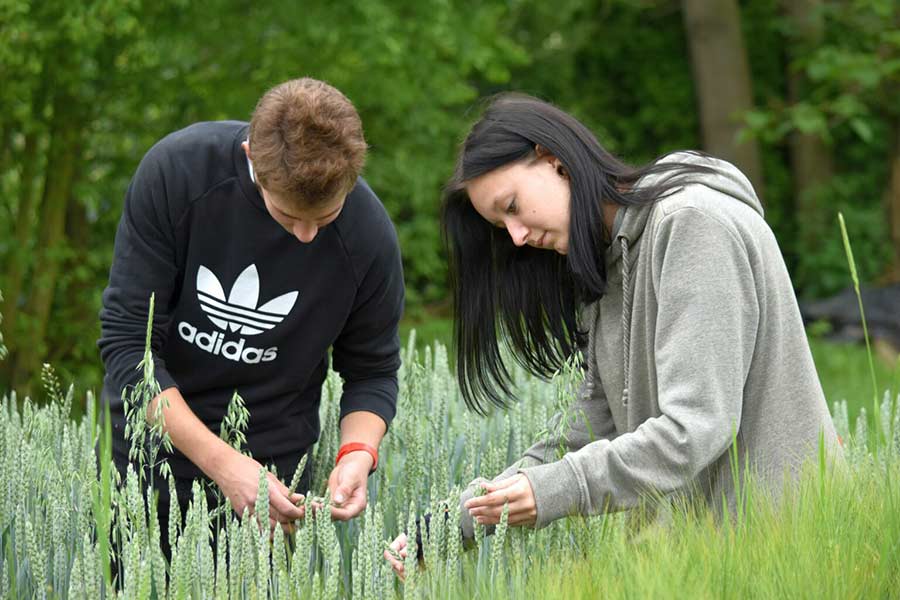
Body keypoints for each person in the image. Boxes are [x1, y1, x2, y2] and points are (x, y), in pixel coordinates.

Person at [384, 93, 844, 576]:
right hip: (703, 558)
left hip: (786, 554)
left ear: (553, 160)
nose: (517, 236)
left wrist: (557, 491)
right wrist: (440, 530)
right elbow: (584, 432)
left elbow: (695, 427)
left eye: (513, 207)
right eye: (503, 226)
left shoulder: (692, 225)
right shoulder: (606, 267)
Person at [99, 77, 404, 558]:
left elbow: (372, 371)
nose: (306, 237)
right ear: (251, 159)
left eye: (325, 220)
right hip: (148, 462)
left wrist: (357, 453)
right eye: (288, 217)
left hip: (276, 484)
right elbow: (128, 349)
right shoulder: (178, 175)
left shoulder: (369, 237)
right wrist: (224, 465)